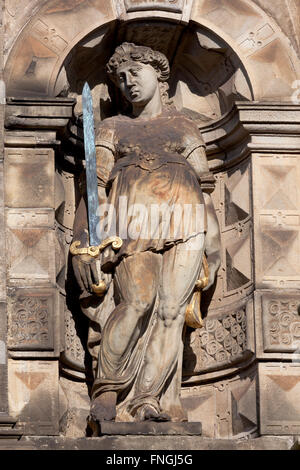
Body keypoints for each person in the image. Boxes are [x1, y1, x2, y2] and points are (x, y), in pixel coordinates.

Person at [72, 43, 221, 423]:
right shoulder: (112, 127)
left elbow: (204, 188)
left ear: (160, 75)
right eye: (121, 78)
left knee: (171, 312)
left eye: (136, 73)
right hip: (131, 221)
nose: (128, 83)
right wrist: (83, 244)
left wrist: (214, 239)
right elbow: (94, 187)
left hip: (186, 219)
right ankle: (107, 391)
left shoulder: (185, 127)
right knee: (136, 302)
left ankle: (149, 400)